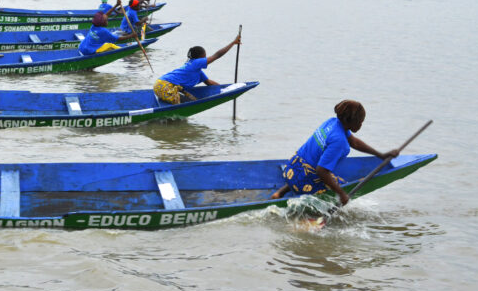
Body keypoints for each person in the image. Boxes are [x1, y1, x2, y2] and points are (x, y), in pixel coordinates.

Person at [271, 100, 399, 204]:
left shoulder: (332, 122)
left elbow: (354, 143)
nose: (361, 125)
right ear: (351, 122)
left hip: (291, 170)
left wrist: (380, 154)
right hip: (303, 182)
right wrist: (342, 194)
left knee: (310, 163)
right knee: (343, 185)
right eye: (360, 122)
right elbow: (321, 171)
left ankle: (279, 192)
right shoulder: (339, 142)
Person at [153, 34, 241, 105]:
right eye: (204, 56)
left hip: (159, 85)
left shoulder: (196, 70)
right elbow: (217, 55)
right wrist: (233, 43)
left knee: (193, 100)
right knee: (188, 105)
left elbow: (209, 83)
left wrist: (225, 89)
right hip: (166, 87)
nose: (206, 58)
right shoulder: (196, 62)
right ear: (199, 58)